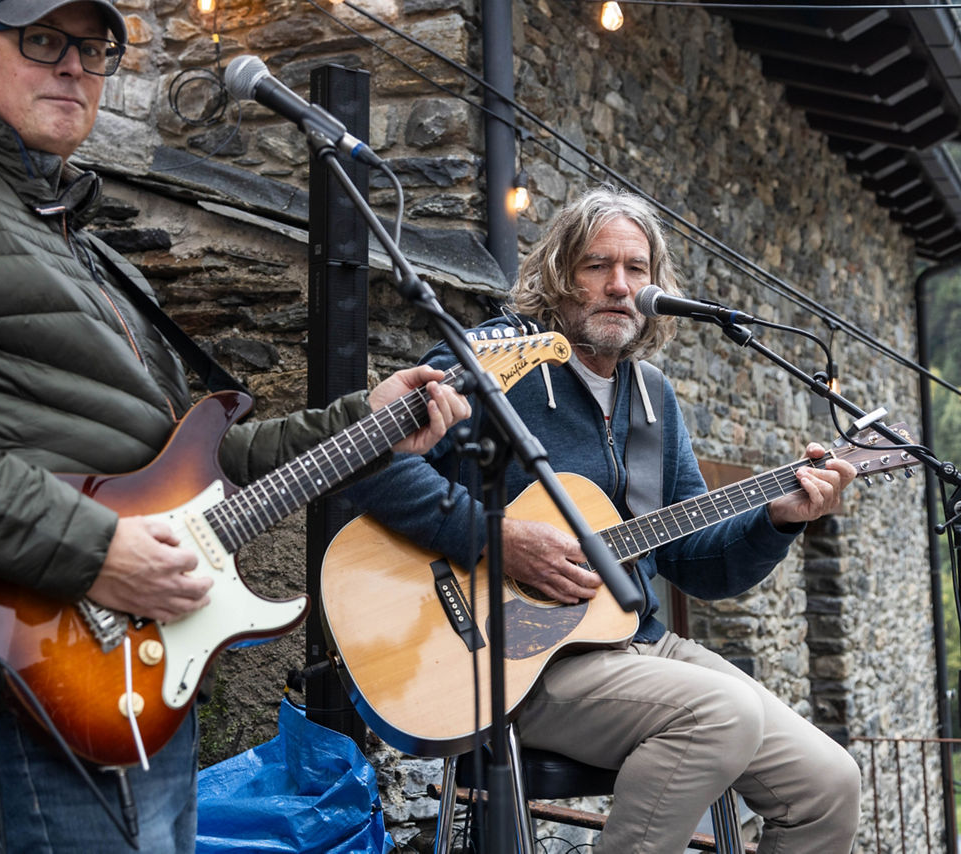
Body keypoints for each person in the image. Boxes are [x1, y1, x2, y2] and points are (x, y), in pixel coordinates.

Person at [0, 1, 470, 851]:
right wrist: (93, 551)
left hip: (139, 674)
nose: (74, 66)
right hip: (37, 670)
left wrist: (362, 422)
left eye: (95, 49)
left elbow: (200, 464)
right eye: (42, 41)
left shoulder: (72, 237)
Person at [342, 186, 862, 853]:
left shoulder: (655, 399)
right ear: (560, 277)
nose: (620, 286)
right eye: (597, 266)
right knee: (719, 714)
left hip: (640, 648)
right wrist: (493, 538)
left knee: (829, 784)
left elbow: (697, 563)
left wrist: (778, 521)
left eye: (637, 270)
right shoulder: (496, 362)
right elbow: (368, 463)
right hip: (515, 658)